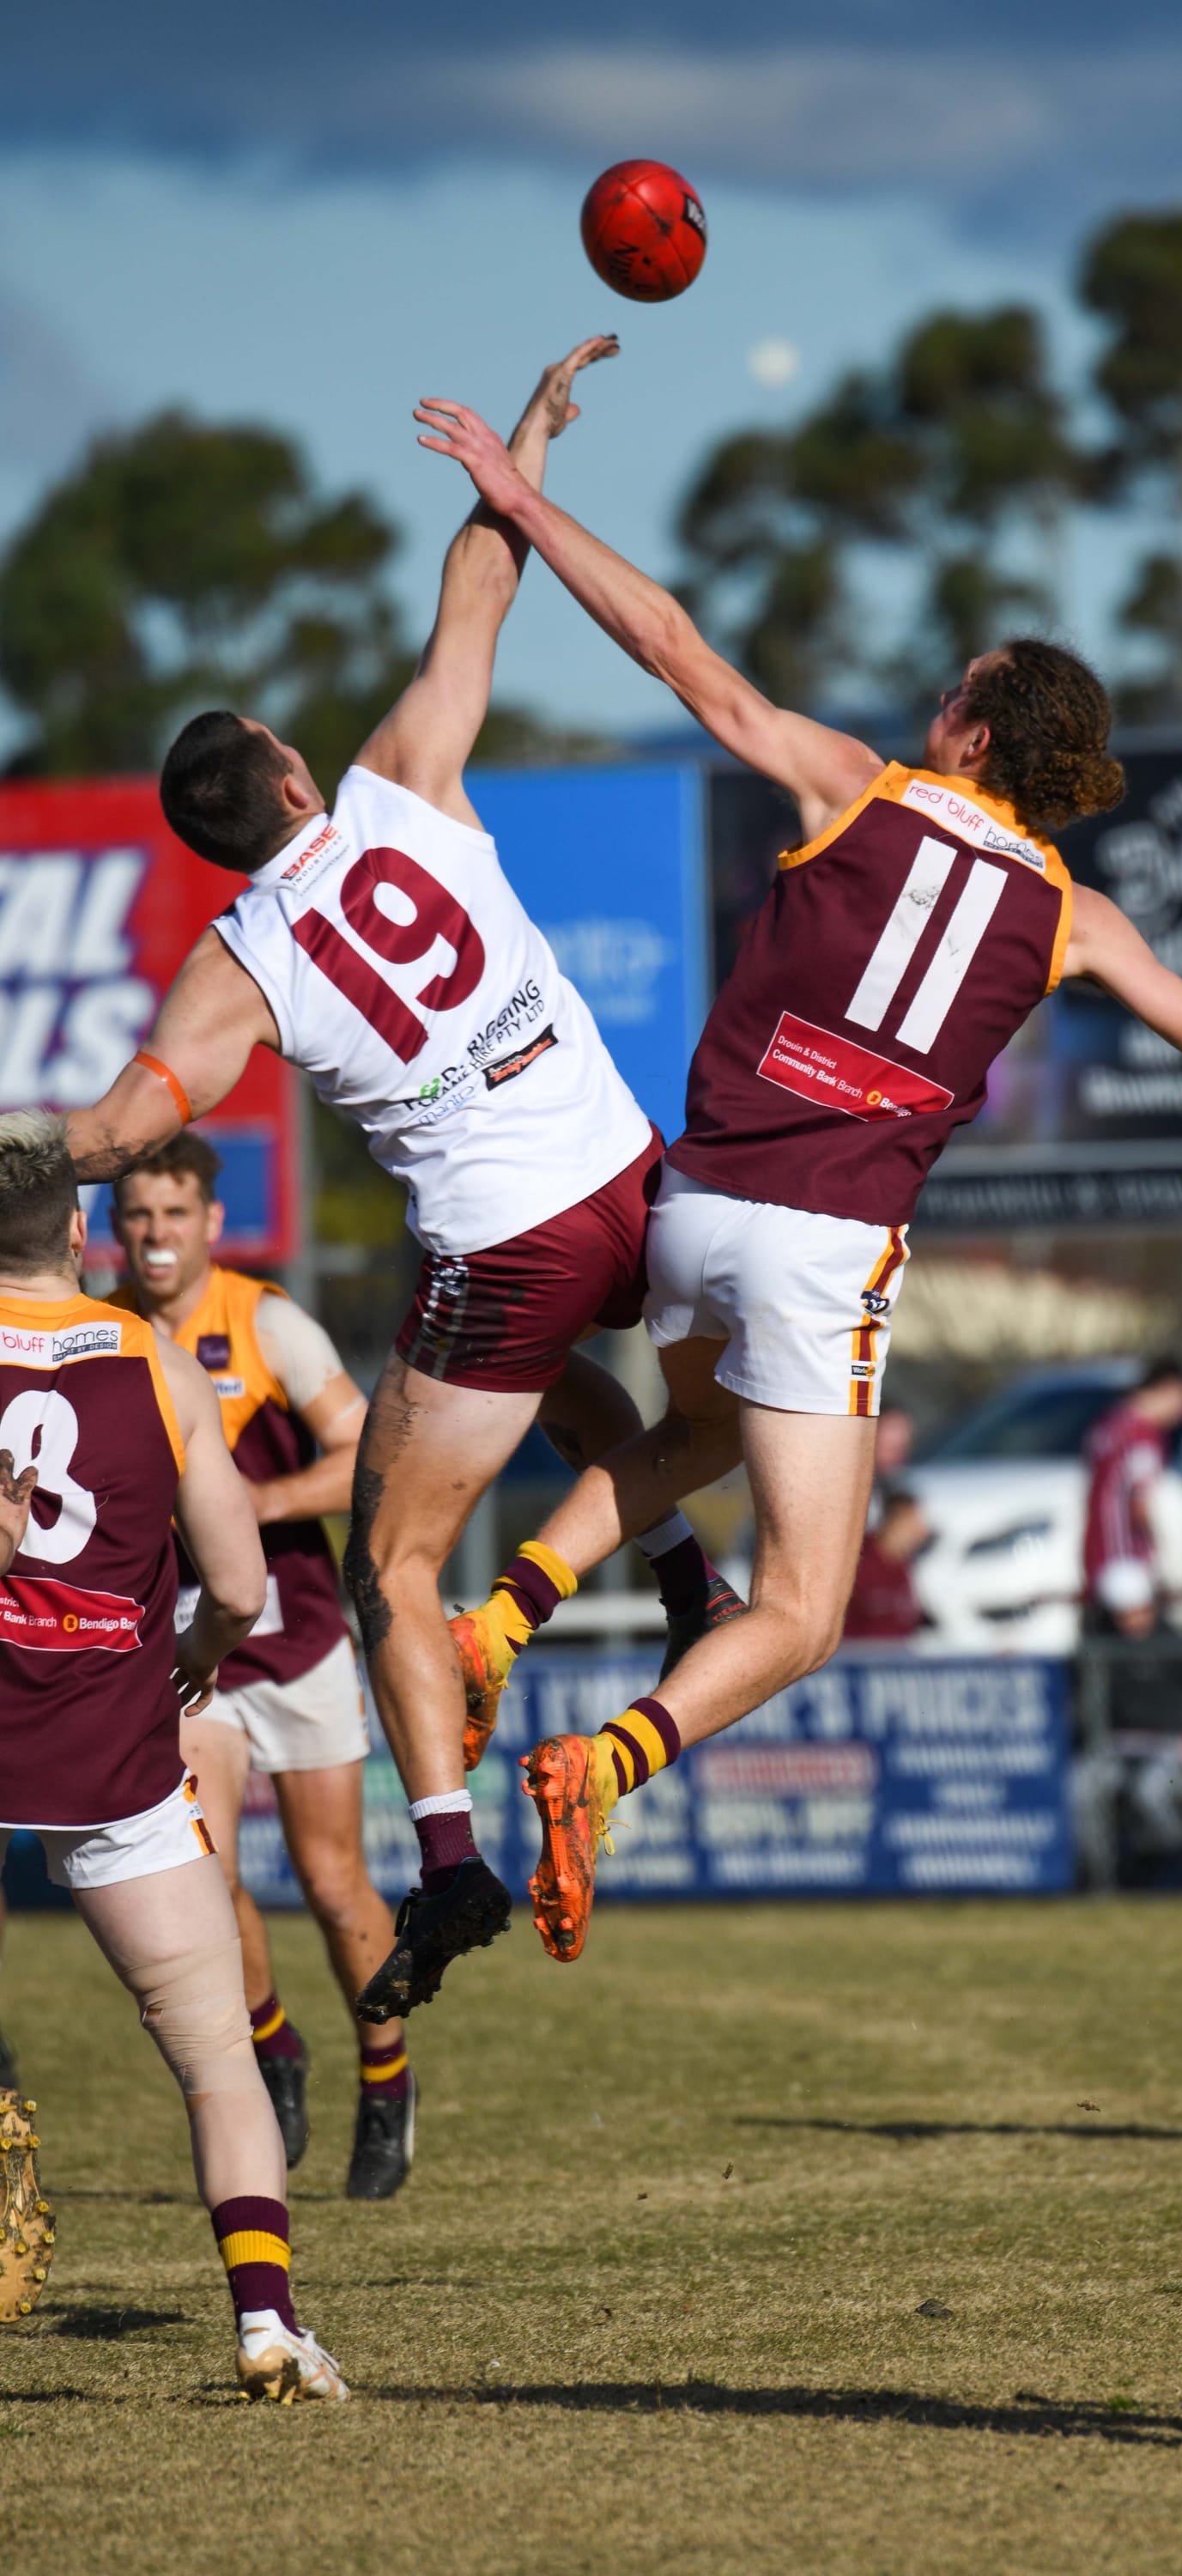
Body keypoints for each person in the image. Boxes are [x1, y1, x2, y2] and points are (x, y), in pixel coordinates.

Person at [412, 373, 1182, 1971]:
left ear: (975, 731)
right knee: (798, 1613)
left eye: (954, 690)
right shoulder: (1071, 914)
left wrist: (520, 506)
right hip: (824, 1244)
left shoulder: (851, 785)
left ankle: (503, 1612)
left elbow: (674, 647)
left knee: (706, 1432)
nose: (933, 700)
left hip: (700, 1204)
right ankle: (607, 1760)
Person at [63, 342, 735, 2025]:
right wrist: (510, 460)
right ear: (291, 777)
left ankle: (447, 1862)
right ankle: (674, 1576)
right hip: (624, 1172)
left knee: (390, 1562)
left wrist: (32, 1152)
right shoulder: (398, 790)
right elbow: (474, 597)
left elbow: (140, 1105)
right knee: (626, 1400)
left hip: (501, 1241)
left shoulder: (236, 955)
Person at [0, 1110, 346, 2396]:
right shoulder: (155, 1361)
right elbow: (244, 1583)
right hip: (107, 1752)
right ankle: (265, 2322)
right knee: (214, 2062)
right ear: (83, 1233)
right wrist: (197, 1653)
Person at [107, 1134, 414, 2197]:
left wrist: (243, 1509)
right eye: (138, 1215)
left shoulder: (266, 1321)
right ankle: (273, 2044)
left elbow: (363, 1454)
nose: (154, 1235)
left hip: (299, 1636)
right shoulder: (106, 1337)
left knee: (334, 1884)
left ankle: (387, 2077)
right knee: (207, 1874)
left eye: (174, 1214)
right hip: (195, 1651)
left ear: (211, 1224)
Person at [1082, 1357, 1182, 1638]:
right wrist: (1167, 1553)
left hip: (1098, 1554)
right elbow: (1140, 1504)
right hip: (1127, 1560)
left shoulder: (1109, 1425)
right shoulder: (1143, 1437)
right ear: (1169, 1388)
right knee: (1140, 1647)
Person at [842, 1488, 930, 1640]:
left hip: (894, 1658)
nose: (921, 1532)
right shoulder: (858, 1561)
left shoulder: (901, 1565)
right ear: (897, 1521)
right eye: (913, 1523)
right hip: (855, 1658)